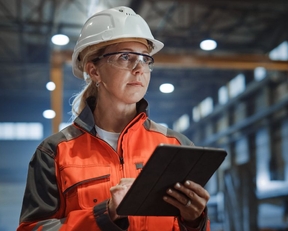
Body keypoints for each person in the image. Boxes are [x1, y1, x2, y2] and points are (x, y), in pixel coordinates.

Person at [17, 6, 211, 231]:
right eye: (125, 57)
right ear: (94, 71)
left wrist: (194, 221)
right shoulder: (55, 153)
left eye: (145, 59)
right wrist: (105, 214)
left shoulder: (177, 146)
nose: (139, 68)